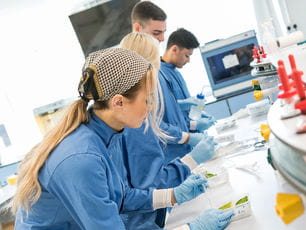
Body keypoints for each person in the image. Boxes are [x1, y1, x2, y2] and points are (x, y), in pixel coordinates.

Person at [12, 48, 232, 229]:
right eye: (147, 100)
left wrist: (172, 195)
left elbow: (122, 197)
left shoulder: (109, 134)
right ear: (118, 102)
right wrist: (190, 229)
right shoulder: (81, 158)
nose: (153, 107)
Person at [119, 32, 220, 229]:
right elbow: (144, 187)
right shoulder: (132, 123)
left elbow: (159, 124)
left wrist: (191, 131)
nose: (150, 108)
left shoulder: (135, 112)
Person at [160, 28, 216, 161]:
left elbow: (182, 114)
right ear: (174, 49)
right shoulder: (160, 75)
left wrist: (196, 118)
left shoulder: (175, 73)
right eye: (187, 55)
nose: (188, 60)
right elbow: (167, 118)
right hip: (176, 150)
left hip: (188, 143)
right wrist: (195, 125)